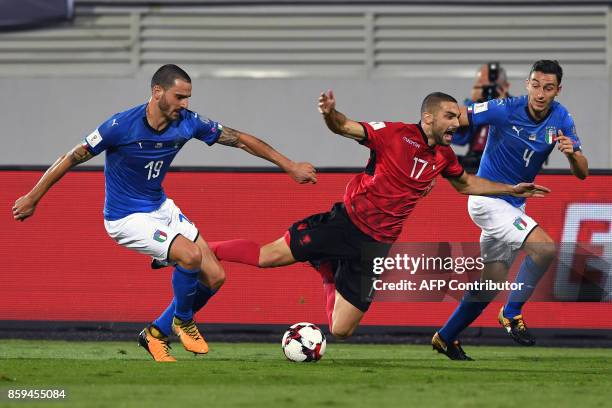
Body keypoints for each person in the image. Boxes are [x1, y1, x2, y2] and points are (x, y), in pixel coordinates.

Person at [12, 64, 317, 362]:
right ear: (157, 92)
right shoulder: (120, 126)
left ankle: (155, 334)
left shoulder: (187, 122)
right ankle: (182, 321)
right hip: (126, 218)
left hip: (161, 207)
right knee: (190, 256)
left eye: (188, 98)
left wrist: (288, 165)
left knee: (215, 276)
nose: (184, 104)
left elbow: (239, 139)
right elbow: (71, 157)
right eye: (179, 97)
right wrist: (33, 196)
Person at [206, 90, 550, 342]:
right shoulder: (393, 134)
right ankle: (203, 250)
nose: (457, 122)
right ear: (428, 117)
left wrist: (510, 189)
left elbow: (466, 184)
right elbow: (344, 127)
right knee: (267, 257)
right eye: (450, 116)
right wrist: (330, 113)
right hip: (345, 225)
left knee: (340, 330)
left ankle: (328, 272)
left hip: (378, 246)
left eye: (457, 117)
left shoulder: (444, 156)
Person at [433, 60, 588, 360]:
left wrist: (571, 155)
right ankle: (511, 312)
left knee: (491, 282)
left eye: (548, 87)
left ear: (558, 90)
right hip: (486, 199)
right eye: (536, 85)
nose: (540, 93)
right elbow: (458, 119)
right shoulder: (504, 108)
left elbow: (582, 171)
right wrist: (433, 133)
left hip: (514, 203)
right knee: (544, 248)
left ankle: (445, 337)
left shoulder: (562, 118)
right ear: (527, 83)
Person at [452, 62, 511, 172]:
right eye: (483, 87)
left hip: (505, 164)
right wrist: (472, 105)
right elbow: (458, 139)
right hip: (474, 162)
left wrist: (503, 107)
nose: (489, 91)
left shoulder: (517, 109)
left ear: (506, 87)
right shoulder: (473, 108)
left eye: (493, 87)